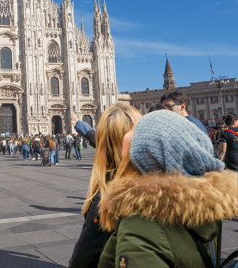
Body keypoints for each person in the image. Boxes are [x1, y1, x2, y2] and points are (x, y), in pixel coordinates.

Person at [97, 110, 235, 268]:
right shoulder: (205, 205)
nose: (126, 135)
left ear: (148, 154)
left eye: (135, 129)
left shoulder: (140, 224)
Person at [69, 103, 140, 268]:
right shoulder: (166, 174)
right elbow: (105, 141)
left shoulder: (111, 193)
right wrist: (84, 127)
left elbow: (85, 255)